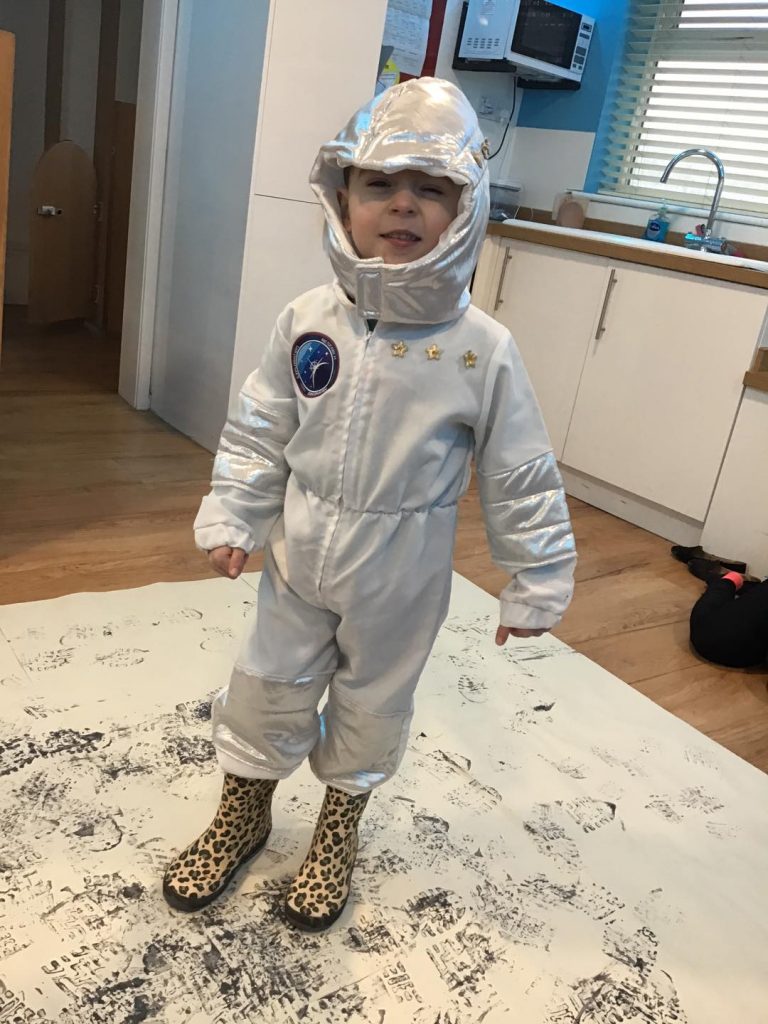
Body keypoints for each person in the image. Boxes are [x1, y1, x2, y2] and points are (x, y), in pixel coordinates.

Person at [162, 78, 577, 932]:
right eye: (380, 184)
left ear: (466, 207)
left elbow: (520, 470)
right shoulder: (307, 319)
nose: (403, 205)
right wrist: (236, 513)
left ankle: (338, 829)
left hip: (403, 565)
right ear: (341, 196)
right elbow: (260, 427)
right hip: (301, 543)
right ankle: (243, 812)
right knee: (266, 683)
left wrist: (535, 578)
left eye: (432, 189)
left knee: (374, 700)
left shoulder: (481, 349)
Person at [684, 556, 768, 669]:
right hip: (745, 657)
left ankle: (728, 579)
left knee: (726, 586)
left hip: (705, 632)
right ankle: (732, 580)